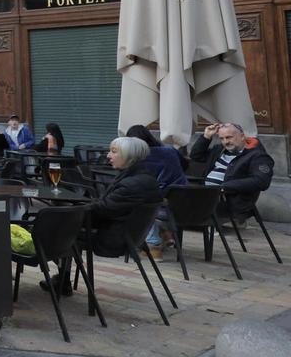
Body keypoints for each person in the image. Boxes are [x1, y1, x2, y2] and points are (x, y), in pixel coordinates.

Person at [44, 136, 161, 295]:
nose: (108, 155)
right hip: (127, 235)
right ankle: (62, 280)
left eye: (114, 152)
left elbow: (103, 210)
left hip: (112, 239)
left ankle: (60, 279)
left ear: (129, 156)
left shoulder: (132, 184)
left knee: (60, 231)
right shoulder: (143, 177)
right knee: (65, 225)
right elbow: (106, 206)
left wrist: (71, 213)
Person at [190, 122, 274, 225]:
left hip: (230, 202)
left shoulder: (257, 156)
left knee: (178, 210)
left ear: (242, 136)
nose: (226, 142)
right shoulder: (219, 150)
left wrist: (223, 187)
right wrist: (206, 136)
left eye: (229, 137)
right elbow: (196, 156)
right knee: (175, 204)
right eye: (222, 138)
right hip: (207, 196)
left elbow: (261, 181)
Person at [125, 125, 188, 258]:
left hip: (161, 208)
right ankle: (166, 232)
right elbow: (186, 165)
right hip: (185, 205)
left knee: (139, 202)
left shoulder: (139, 159)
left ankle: (153, 245)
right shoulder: (170, 150)